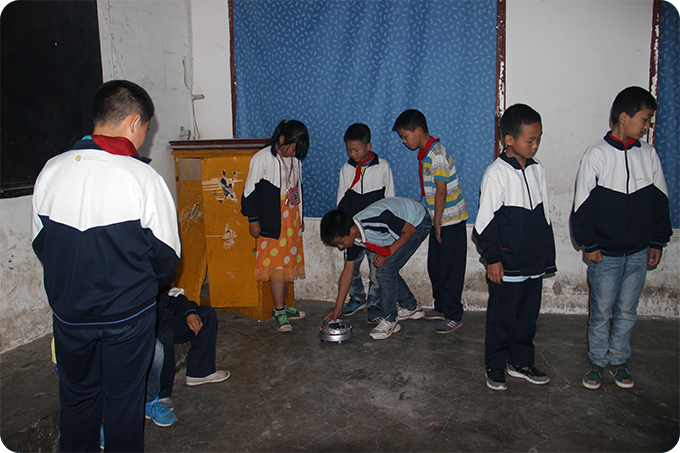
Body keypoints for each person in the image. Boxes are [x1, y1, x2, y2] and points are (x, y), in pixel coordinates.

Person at [32, 80, 180, 451]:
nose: (144, 138)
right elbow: (167, 260)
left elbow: (42, 245)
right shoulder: (143, 178)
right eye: (146, 128)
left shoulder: (51, 170)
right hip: (127, 318)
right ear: (134, 122)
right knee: (123, 403)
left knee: (77, 401)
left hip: (70, 316)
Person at [571, 86, 672, 390]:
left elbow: (660, 201)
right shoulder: (597, 155)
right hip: (605, 255)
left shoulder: (648, 155)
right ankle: (597, 361)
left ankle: (619, 360)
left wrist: (657, 241)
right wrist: (590, 244)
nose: (647, 125)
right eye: (644, 118)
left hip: (639, 253)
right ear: (624, 117)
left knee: (628, 311)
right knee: (601, 311)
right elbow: (582, 206)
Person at [473, 104, 556, 391]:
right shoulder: (496, 173)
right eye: (530, 140)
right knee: (502, 317)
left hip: (532, 261)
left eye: (538, 139)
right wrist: (493, 259)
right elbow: (484, 224)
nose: (535, 145)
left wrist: (545, 255)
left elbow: (544, 216)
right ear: (509, 139)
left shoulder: (537, 169)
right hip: (507, 263)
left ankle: (521, 361)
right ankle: (496, 364)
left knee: (527, 317)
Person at [393, 109, 469, 333]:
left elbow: (441, 191)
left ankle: (454, 315)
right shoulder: (426, 154)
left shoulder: (437, 154)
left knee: (451, 269)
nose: (404, 142)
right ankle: (442, 306)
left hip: (450, 221)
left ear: (418, 131)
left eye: (405, 136)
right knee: (435, 267)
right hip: (439, 220)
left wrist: (437, 222)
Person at [321, 197, 432, 340]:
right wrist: (338, 307)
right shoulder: (354, 239)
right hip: (405, 227)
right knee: (387, 270)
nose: (341, 247)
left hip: (418, 221)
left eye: (341, 243)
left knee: (385, 271)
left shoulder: (378, 220)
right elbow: (347, 272)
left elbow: (409, 230)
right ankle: (411, 307)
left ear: (352, 230)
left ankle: (390, 320)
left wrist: (388, 253)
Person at [241, 120, 309, 332]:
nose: (295, 153)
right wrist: (253, 219)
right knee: (278, 267)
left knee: (287, 266)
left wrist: (300, 216)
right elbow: (249, 192)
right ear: (281, 139)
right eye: (294, 147)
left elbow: (298, 190)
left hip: (291, 218)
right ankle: (279, 311)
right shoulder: (262, 158)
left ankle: (284, 307)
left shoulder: (295, 161)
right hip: (273, 219)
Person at [336, 123, 395, 323]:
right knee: (350, 266)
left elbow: (391, 199)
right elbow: (341, 200)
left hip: (376, 231)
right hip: (352, 231)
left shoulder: (383, 167)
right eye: (348, 150)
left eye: (356, 150)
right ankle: (357, 297)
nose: (352, 154)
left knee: (376, 269)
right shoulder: (346, 169)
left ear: (368, 146)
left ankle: (374, 303)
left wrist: (388, 230)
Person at [156, 286, 230, 406]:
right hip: (146, 325)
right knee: (165, 336)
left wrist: (189, 312)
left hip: (163, 319)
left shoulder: (157, 278)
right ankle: (161, 396)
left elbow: (172, 296)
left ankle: (200, 373)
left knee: (206, 314)